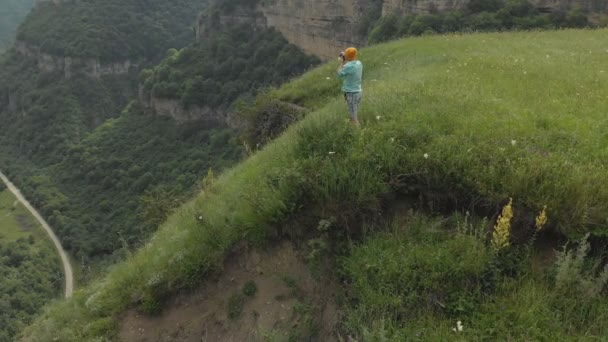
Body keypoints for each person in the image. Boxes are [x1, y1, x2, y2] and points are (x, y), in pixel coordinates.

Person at [337, 47, 363, 125]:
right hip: (358, 92)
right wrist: (346, 58)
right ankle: (353, 125)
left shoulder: (347, 66)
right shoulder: (359, 63)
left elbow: (339, 73)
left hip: (351, 93)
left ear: (347, 57)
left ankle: (358, 132)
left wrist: (342, 62)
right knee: (354, 112)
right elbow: (351, 61)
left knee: (353, 116)